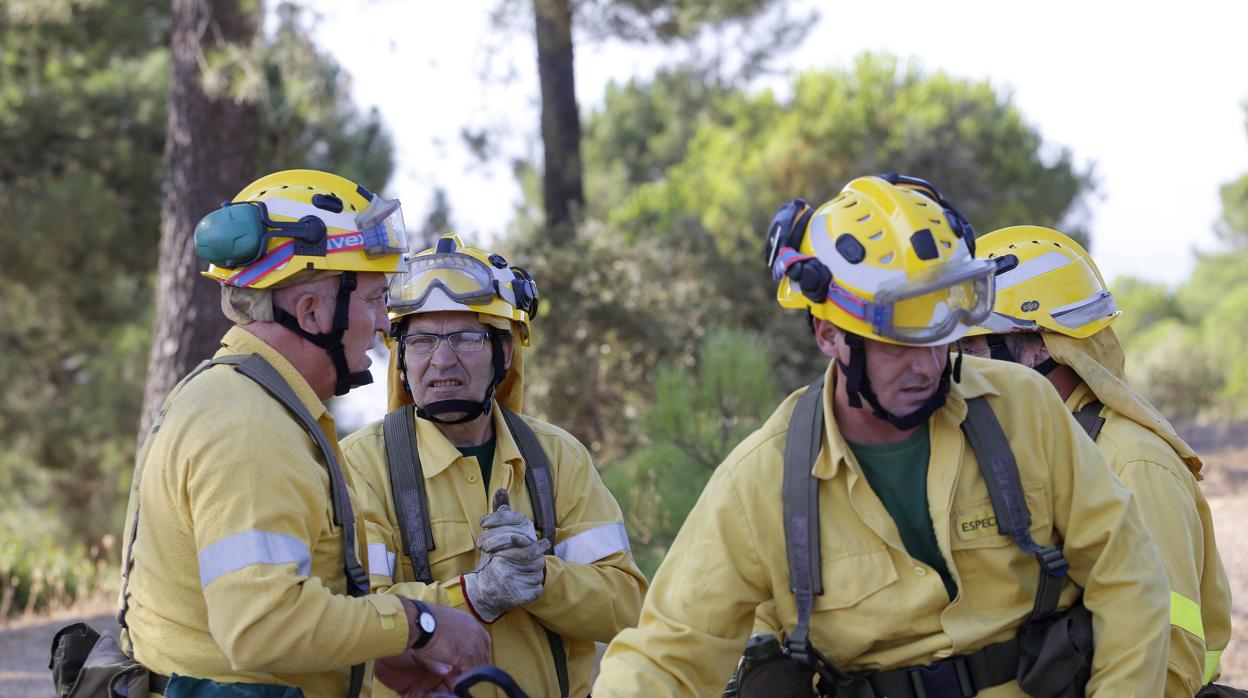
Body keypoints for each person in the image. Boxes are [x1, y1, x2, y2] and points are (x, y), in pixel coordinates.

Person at [593, 174, 1171, 697]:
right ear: (827, 333)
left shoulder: (1024, 409)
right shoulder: (764, 481)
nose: (924, 364)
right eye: (897, 340)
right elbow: (665, 657)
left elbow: (1127, 572)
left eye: (940, 330)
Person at [118, 170, 490, 698]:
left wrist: (376, 652)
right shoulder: (249, 426)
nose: (386, 323)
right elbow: (262, 626)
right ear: (312, 311)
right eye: (371, 299)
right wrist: (419, 625)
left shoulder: (242, 399)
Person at [340, 233, 647, 698]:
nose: (442, 360)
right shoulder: (362, 465)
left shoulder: (558, 458)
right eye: (421, 340)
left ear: (505, 352)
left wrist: (541, 578)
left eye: (466, 338)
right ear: (400, 359)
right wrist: (474, 593)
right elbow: (353, 620)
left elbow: (627, 607)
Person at [961, 225, 1233, 695]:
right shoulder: (1029, 449)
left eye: (974, 347)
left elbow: (1166, 659)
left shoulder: (1132, 463)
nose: (960, 370)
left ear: (1042, 346)